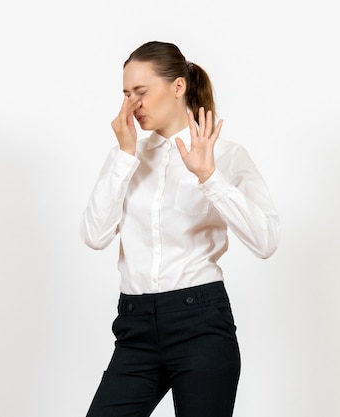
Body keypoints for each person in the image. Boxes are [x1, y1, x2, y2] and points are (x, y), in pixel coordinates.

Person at [79, 40, 280, 417]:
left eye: (141, 91)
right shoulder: (125, 156)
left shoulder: (225, 155)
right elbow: (95, 235)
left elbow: (265, 241)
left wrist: (209, 177)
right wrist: (125, 156)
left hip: (200, 323)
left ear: (177, 87)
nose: (131, 105)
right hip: (135, 327)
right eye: (125, 94)